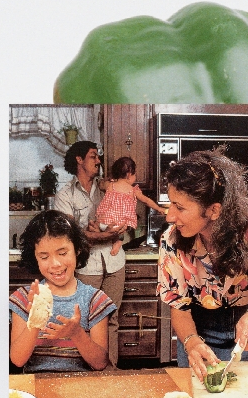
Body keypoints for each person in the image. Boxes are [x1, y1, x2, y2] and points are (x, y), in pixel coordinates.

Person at [157, 150, 248, 381]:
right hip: (197, 327)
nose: (170, 216)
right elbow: (178, 306)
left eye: (179, 207)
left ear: (214, 210)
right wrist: (191, 342)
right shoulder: (171, 241)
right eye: (171, 204)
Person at [9, 210, 116, 373]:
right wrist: (36, 319)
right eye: (44, 257)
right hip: (36, 385)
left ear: (77, 250)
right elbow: (17, 360)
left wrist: (77, 333)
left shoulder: (95, 300)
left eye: (62, 253)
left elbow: (100, 363)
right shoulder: (25, 298)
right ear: (34, 258)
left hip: (79, 387)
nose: (55, 264)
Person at [53, 140, 125, 368]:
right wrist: (107, 236)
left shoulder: (107, 189)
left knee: (112, 318)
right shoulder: (64, 195)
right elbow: (72, 236)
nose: (98, 161)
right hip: (87, 266)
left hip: (114, 263)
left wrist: (121, 228)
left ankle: (110, 371)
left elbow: (125, 212)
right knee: (86, 321)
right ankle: (89, 373)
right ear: (79, 160)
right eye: (93, 156)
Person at [96, 156, 167, 256]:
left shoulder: (110, 185)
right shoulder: (133, 190)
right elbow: (146, 201)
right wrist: (159, 208)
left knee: (104, 230)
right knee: (120, 234)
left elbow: (100, 184)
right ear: (129, 174)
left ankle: (105, 235)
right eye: (135, 174)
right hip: (118, 226)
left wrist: (109, 178)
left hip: (103, 222)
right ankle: (117, 244)